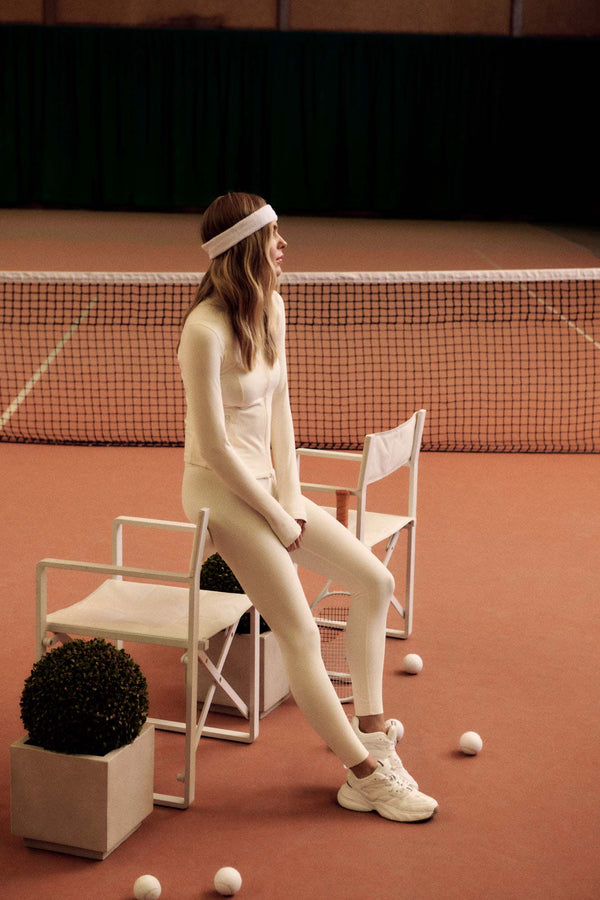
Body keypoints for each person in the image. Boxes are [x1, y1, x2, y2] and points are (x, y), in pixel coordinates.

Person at [178, 192, 438, 822]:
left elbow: (281, 410)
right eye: (273, 235)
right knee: (299, 630)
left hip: (271, 488)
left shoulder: (272, 307)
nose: (283, 245)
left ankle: (373, 732)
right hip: (219, 493)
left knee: (374, 582)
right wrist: (273, 516)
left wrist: (291, 501)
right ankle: (366, 776)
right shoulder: (203, 332)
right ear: (246, 248)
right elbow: (214, 448)